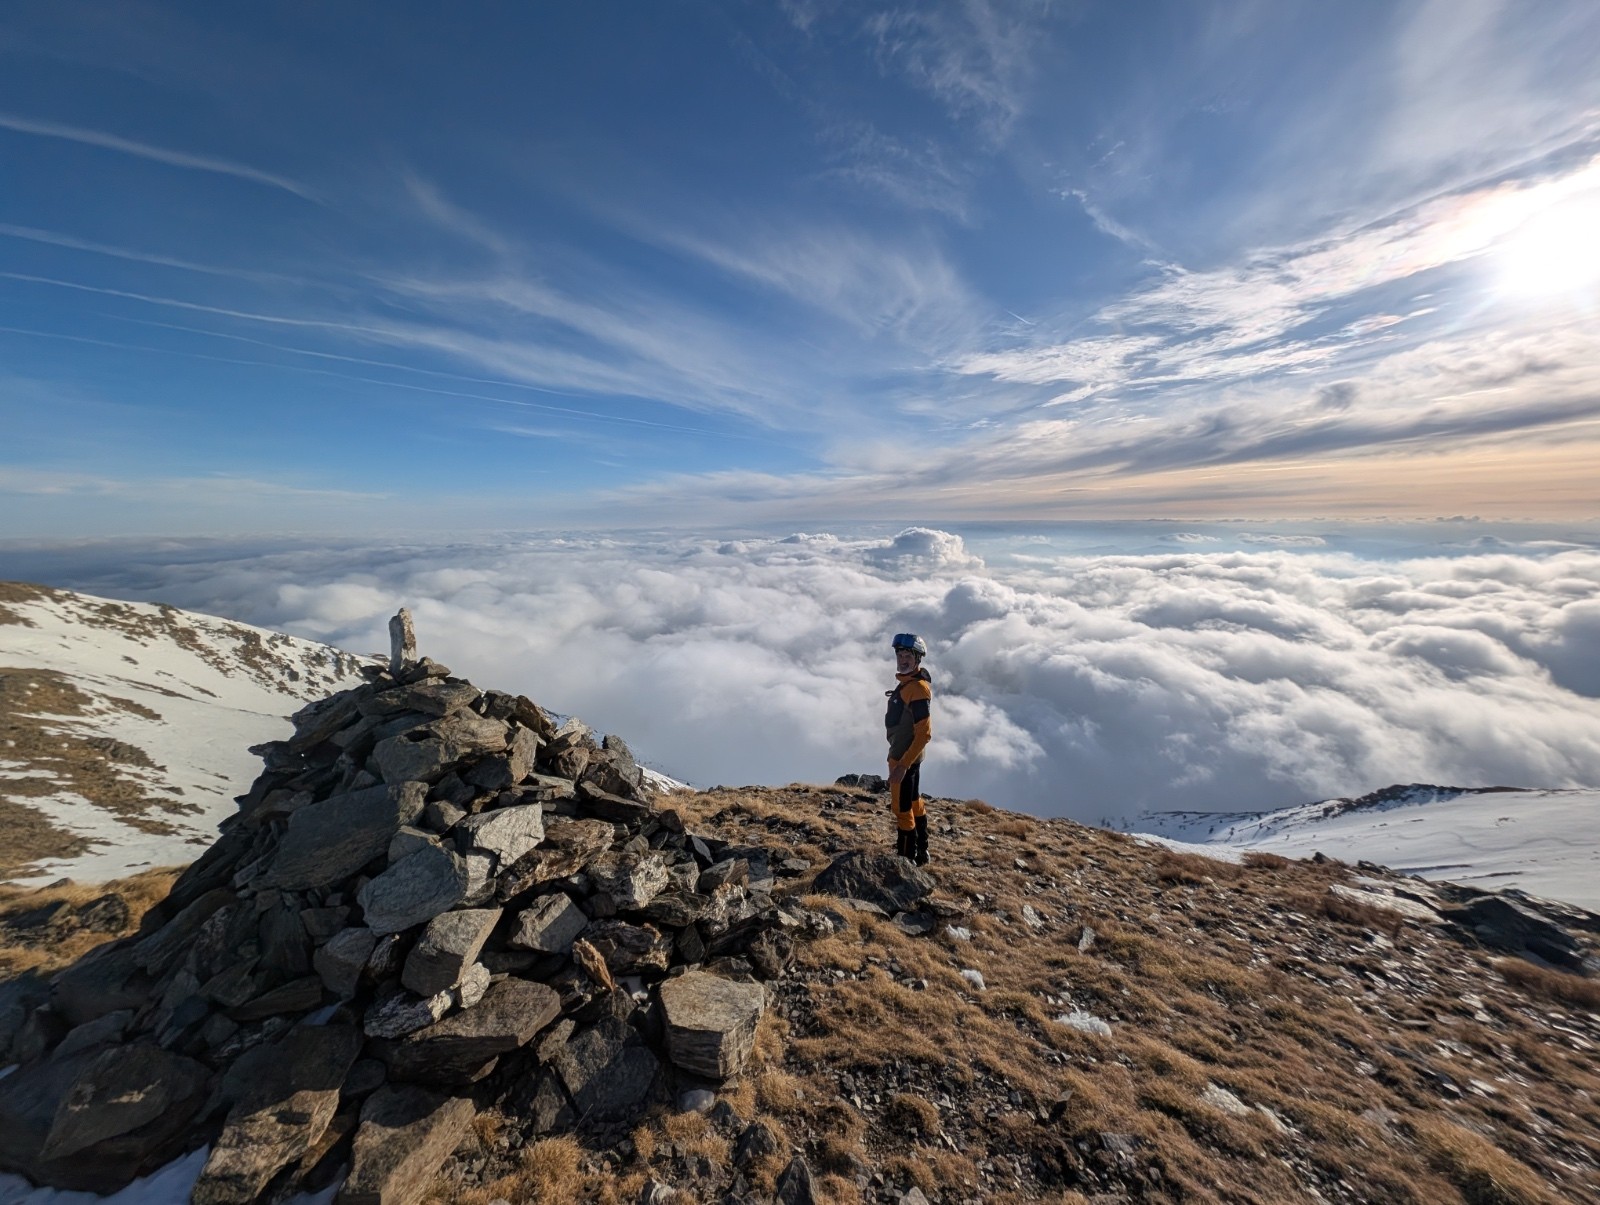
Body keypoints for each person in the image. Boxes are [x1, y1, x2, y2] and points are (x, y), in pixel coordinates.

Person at [885, 632, 932, 865]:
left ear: (917, 660)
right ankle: (922, 852)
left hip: (904, 759)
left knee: (901, 810)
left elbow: (924, 733)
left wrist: (902, 765)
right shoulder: (909, 685)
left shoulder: (917, 689)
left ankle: (905, 862)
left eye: (908, 656)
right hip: (909, 758)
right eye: (900, 654)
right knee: (913, 802)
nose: (902, 659)